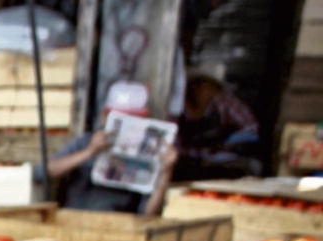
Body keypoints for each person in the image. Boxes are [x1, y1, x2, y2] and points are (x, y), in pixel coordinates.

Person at [41, 82, 178, 215]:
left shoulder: (152, 156)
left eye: (134, 119)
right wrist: (89, 152)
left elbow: (149, 214)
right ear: (104, 116)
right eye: (120, 119)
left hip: (119, 229)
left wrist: (165, 172)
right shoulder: (86, 142)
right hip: (76, 222)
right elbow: (44, 171)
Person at [178, 67, 259, 175]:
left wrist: (231, 144)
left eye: (214, 88)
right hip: (188, 163)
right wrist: (205, 152)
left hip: (223, 160)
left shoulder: (222, 101)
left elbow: (251, 127)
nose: (212, 92)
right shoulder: (179, 109)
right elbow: (175, 147)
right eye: (206, 87)